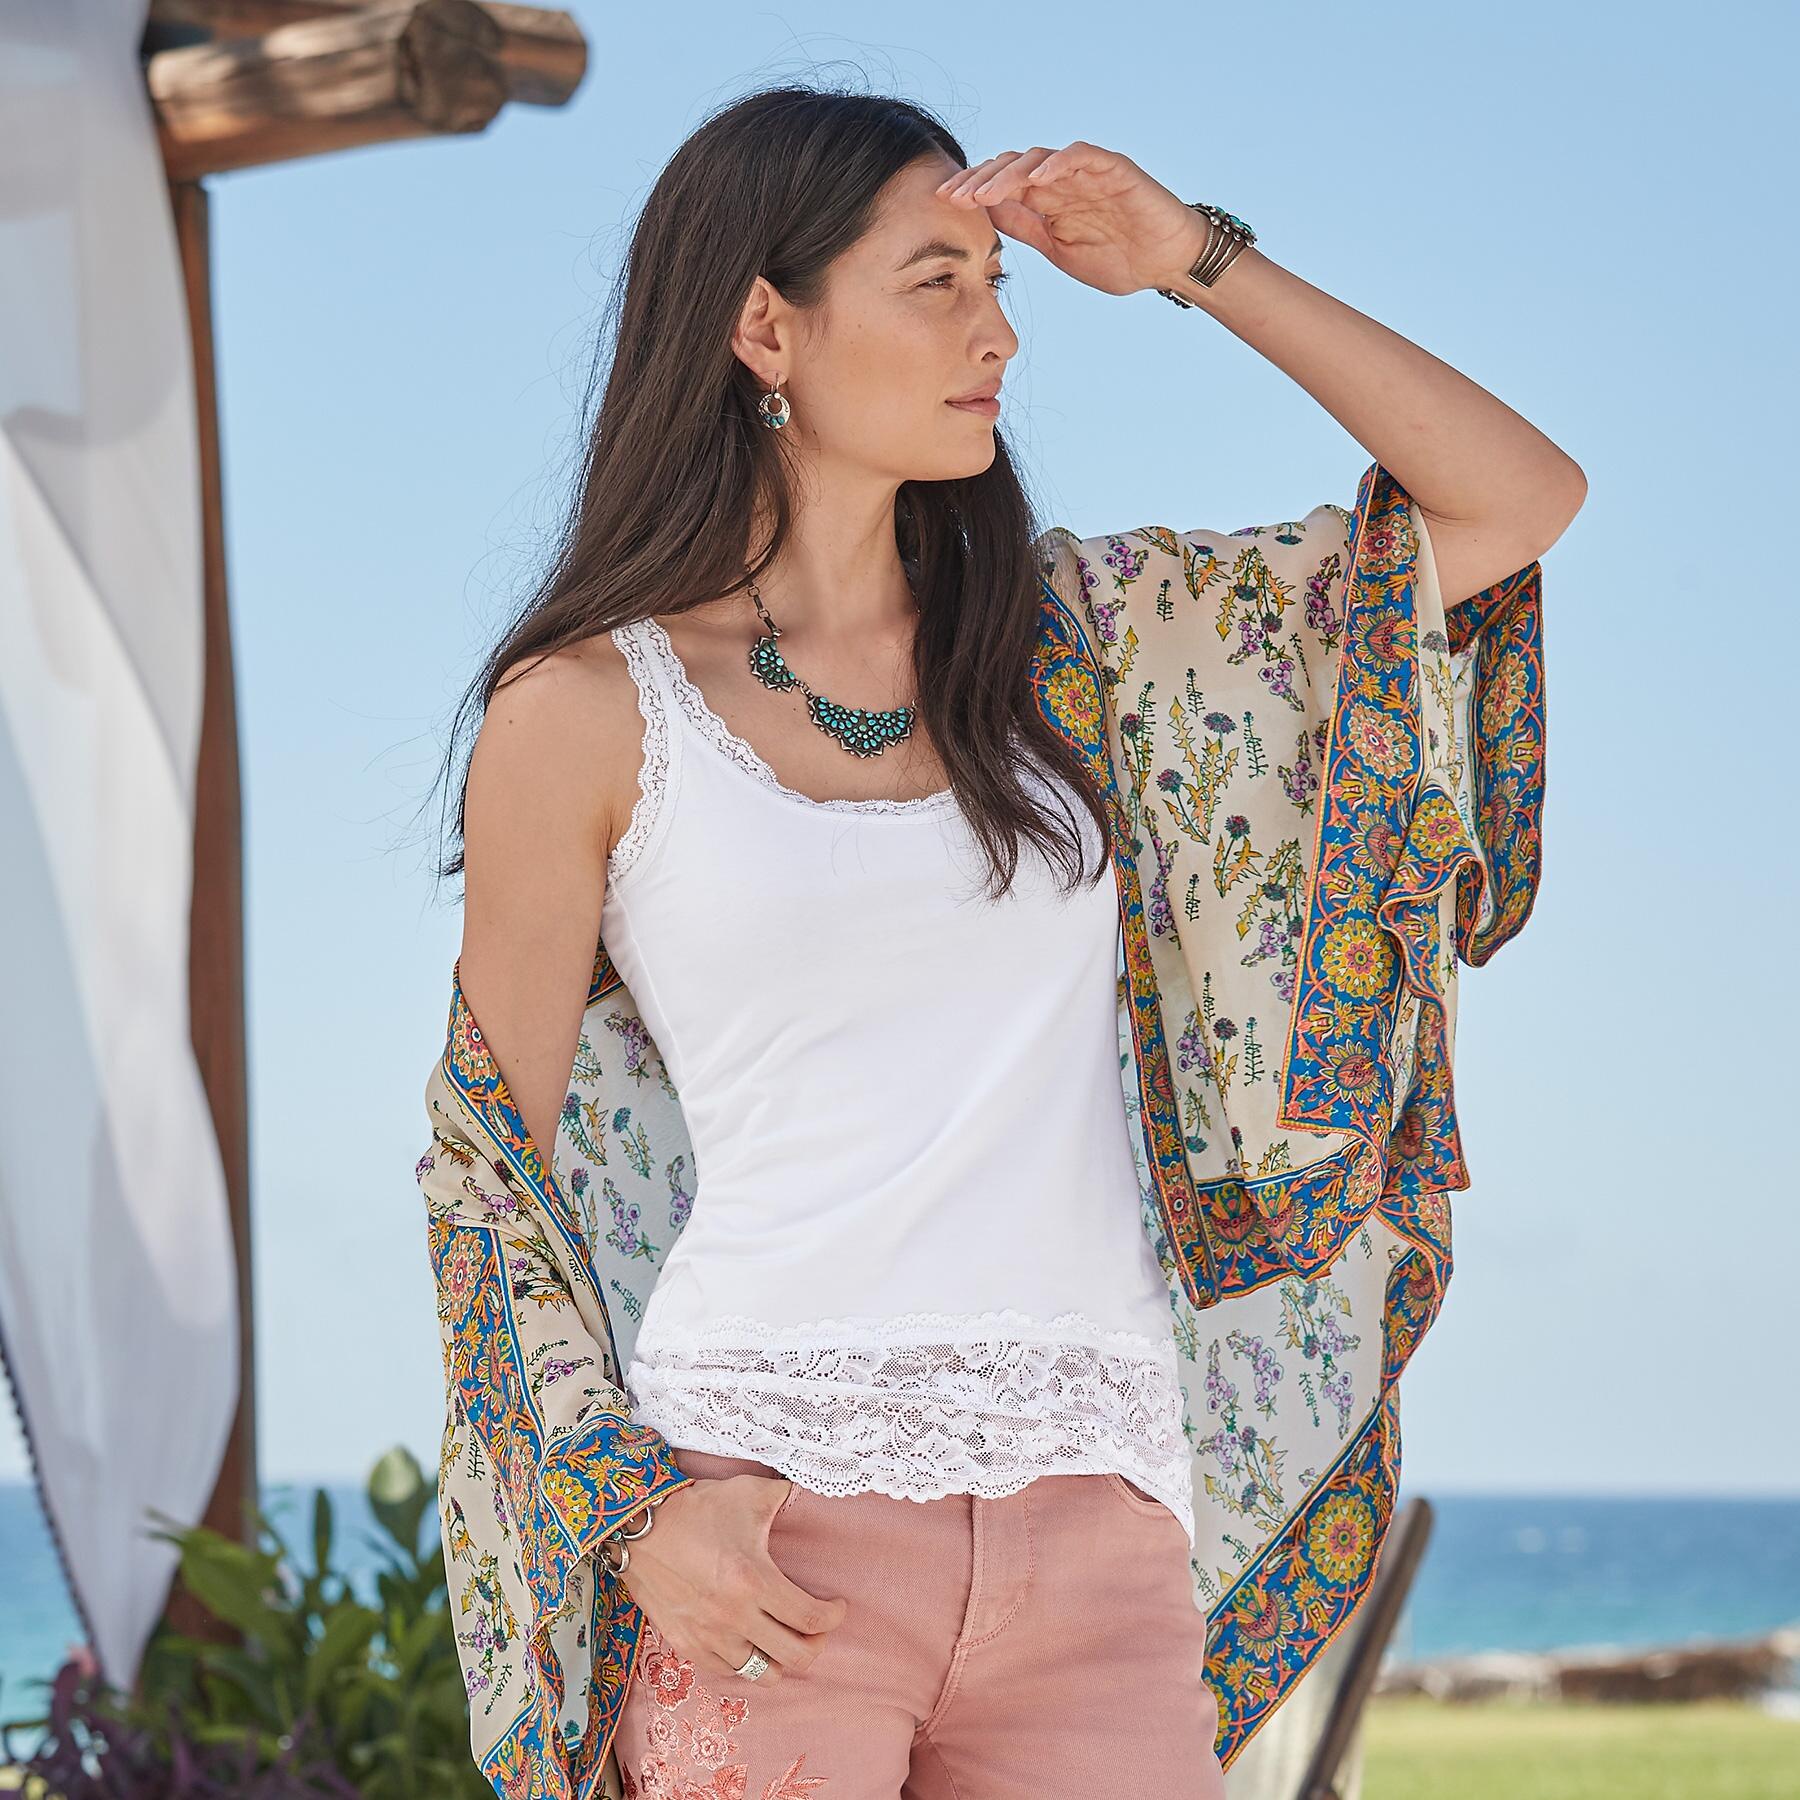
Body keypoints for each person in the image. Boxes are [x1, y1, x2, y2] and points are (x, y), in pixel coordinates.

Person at [416, 84, 1579, 1800]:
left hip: (1098, 1544)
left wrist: (1192, 257)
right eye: (938, 283)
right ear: (765, 327)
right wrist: (631, 1512)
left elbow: (1514, 496)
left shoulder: (1082, 650)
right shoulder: (586, 709)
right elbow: (483, 1170)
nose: (1001, 334)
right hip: (766, 1536)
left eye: (999, 282)